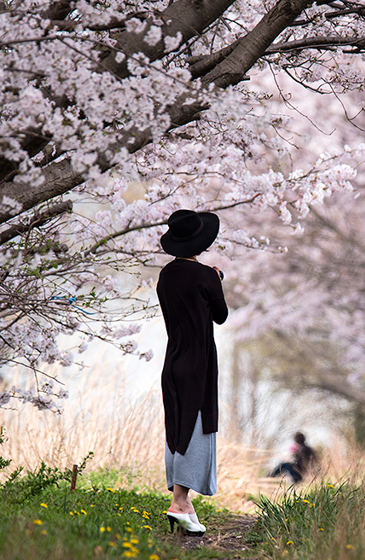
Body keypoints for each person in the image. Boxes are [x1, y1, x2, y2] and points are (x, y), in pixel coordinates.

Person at [157, 209, 228, 537]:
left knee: (177, 428)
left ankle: (183, 506)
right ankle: (178, 502)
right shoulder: (206, 276)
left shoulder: (165, 276)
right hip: (198, 362)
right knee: (196, 428)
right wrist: (216, 280)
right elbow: (220, 315)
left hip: (173, 361)